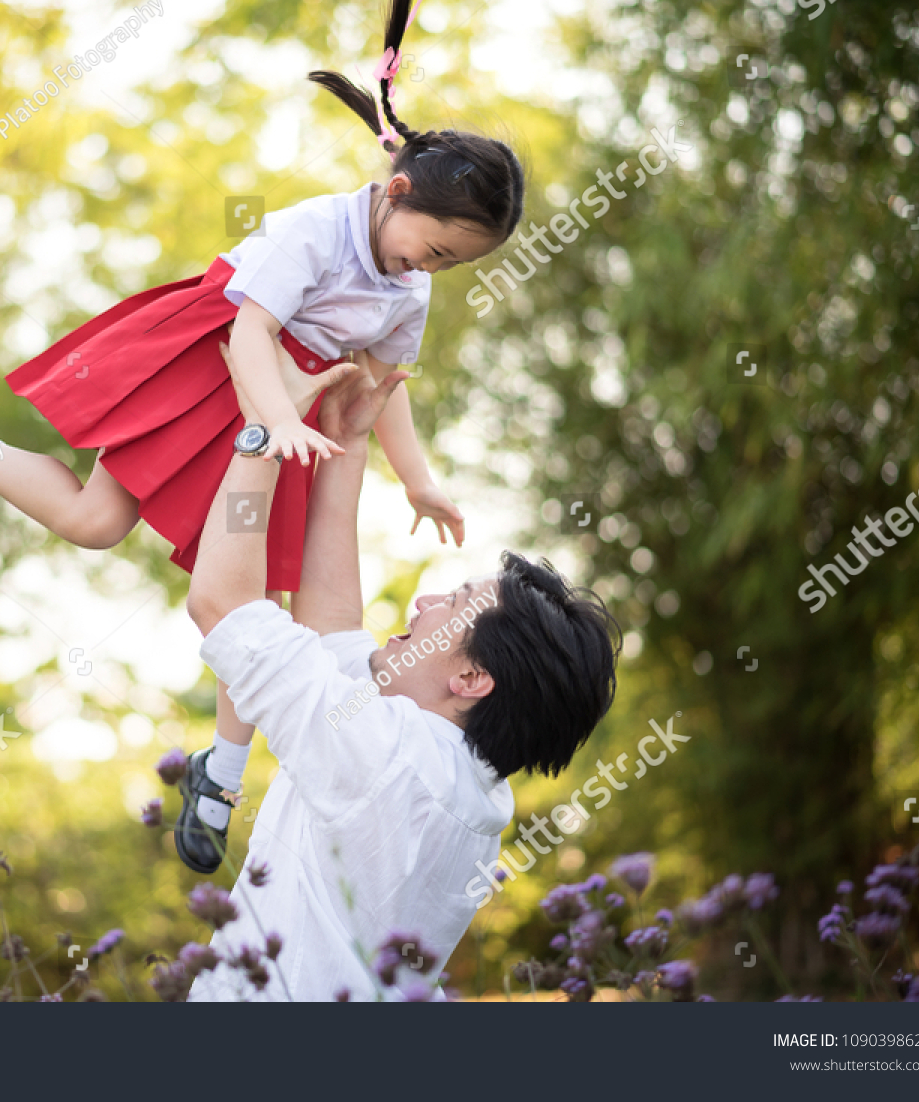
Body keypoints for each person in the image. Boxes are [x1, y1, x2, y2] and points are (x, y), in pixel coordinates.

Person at [0, 0, 526, 870]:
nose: (430, 271)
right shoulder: (314, 231)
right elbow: (248, 331)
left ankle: (220, 771)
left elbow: (382, 385)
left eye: (450, 265)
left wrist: (418, 479)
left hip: (290, 418)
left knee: (263, 599)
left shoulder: (407, 292)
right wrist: (278, 418)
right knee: (96, 525)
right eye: (434, 251)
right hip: (219, 381)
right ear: (397, 192)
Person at [181, 363, 621, 1000]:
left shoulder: (385, 754)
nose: (425, 604)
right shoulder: (461, 779)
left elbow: (222, 603)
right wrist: (348, 443)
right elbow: (330, 624)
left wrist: (262, 430)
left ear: (472, 676)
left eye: (456, 602)